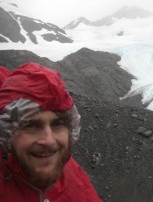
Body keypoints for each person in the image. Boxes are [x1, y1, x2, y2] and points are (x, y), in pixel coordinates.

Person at [0, 63, 103, 202]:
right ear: (6, 134)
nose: (48, 140)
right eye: (31, 125)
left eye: (57, 124)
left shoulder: (73, 176)